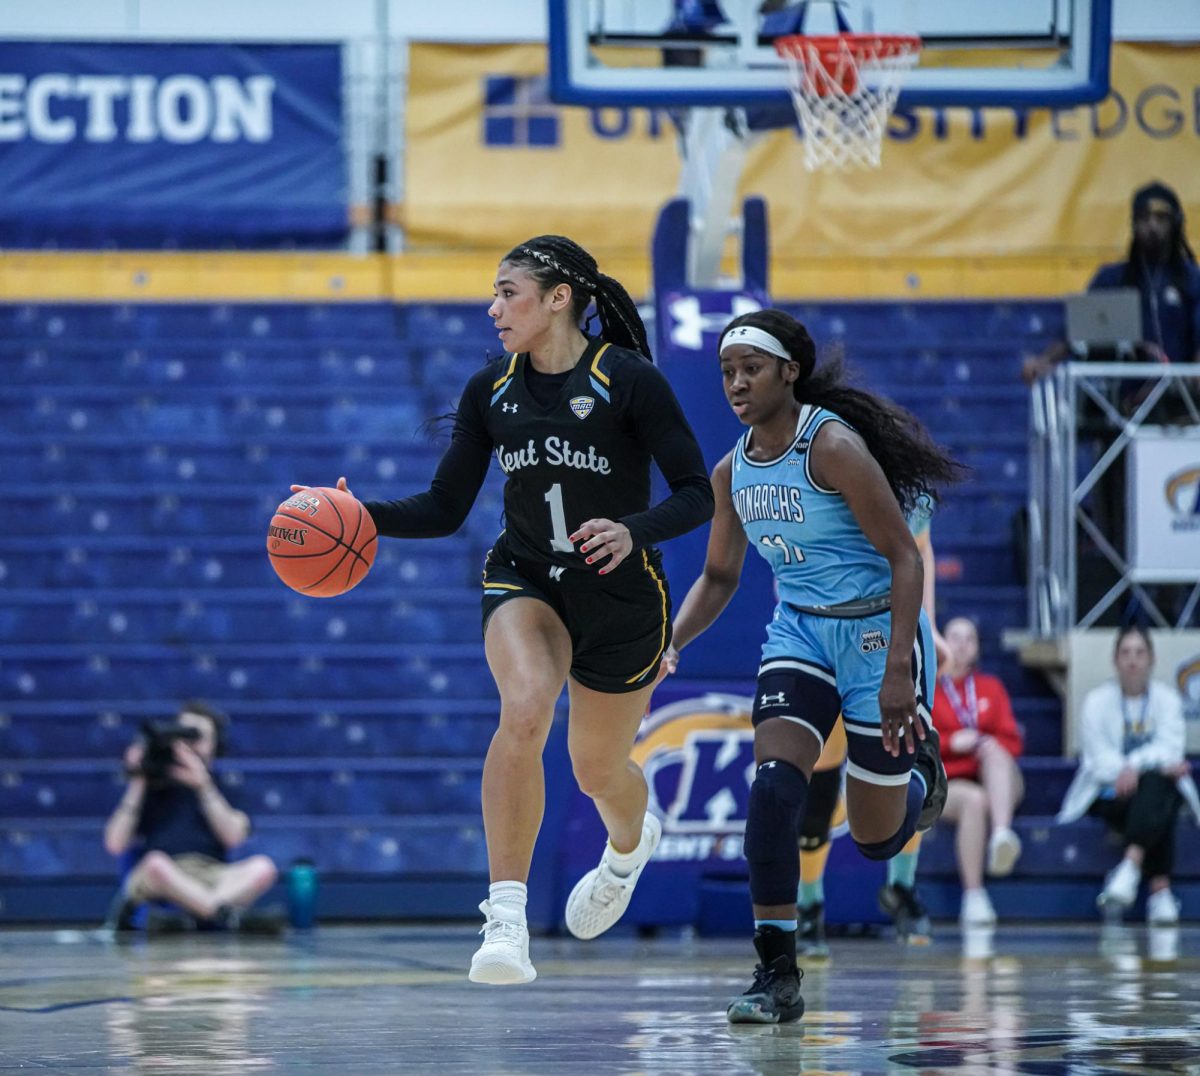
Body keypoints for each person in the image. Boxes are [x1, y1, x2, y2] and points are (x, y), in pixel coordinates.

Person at [293, 235, 713, 985]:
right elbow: (446, 507)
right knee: (523, 710)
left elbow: (696, 493)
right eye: (493, 293)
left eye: (507, 292)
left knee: (597, 772)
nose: (493, 309)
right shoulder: (490, 389)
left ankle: (627, 853)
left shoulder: (630, 380)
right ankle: (506, 919)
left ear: (558, 298)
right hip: (528, 581)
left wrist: (631, 530)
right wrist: (358, 514)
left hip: (622, 603)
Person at [658, 308, 961, 1023]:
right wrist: (669, 642)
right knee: (771, 791)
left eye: (751, 369)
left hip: (874, 632)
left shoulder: (832, 448)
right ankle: (776, 974)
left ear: (789, 373)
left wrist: (896, 674)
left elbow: (904, 557)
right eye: (728, 371)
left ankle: (921, 771)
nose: (736, 382)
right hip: (798, 634)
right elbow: (720, 579)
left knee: (876, 836)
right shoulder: (732, 469)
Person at [796, 497, 948, 957]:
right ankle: (808, 905)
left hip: (891, 644)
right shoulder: (812, 474)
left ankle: (901, 890)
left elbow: (920, 549)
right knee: (819, 785)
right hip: (829, 637)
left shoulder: (905, 485)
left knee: (903, 767)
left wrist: (931, 626)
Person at [1057, 625, 1200, 923]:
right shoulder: (1096, 701)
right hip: (1108, 792)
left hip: (1149, 790)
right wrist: (1130, 769)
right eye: (1126, 653)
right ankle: (1160, 891)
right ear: (1115, 660)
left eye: (1139, 653)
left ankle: (1130, 867)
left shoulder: (1168, 700)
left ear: (1151, 659)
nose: (1133, 660)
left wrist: (1133, 766)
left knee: (1158, 786)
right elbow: (1097, 758)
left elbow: (1171, 749)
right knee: (1162, 791)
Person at [103, 700, 282, 933]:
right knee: (156, 865)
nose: (190, 744)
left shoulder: (224, 788)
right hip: (163, 872)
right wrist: (139, 779)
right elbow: (115, 843)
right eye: (184, 734)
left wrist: (203, 787)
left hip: (211, 873)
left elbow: (234, 837)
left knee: (263, 868)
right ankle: (225, 916)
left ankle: (191, 919)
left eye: (198, 737)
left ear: (215, 746)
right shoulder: (154, 785)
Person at [1022, 181, 1200, 385]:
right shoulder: (1111, 279)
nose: (1152, 226)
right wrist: (1044, 361)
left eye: (1161, 218)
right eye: (1144, 218)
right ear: (1133, 224)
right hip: (1120, 402)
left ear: (1175, 224)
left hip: (1183, 400)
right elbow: (1076, 334)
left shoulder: (1193, 279)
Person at [929, 616, 1025, 927]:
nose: (960, 644)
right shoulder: (927, 687)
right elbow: (915, 745)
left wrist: (983, 744)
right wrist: (951, 742)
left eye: (968, 638)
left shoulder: (991, 687)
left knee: (995, 750)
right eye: (953, 637)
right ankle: (974, 896)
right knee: (974, 801)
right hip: (946, 780)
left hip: (997, 777)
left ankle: (1000, 835)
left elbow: (1013, 742)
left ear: (977, 649)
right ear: (940, 642)